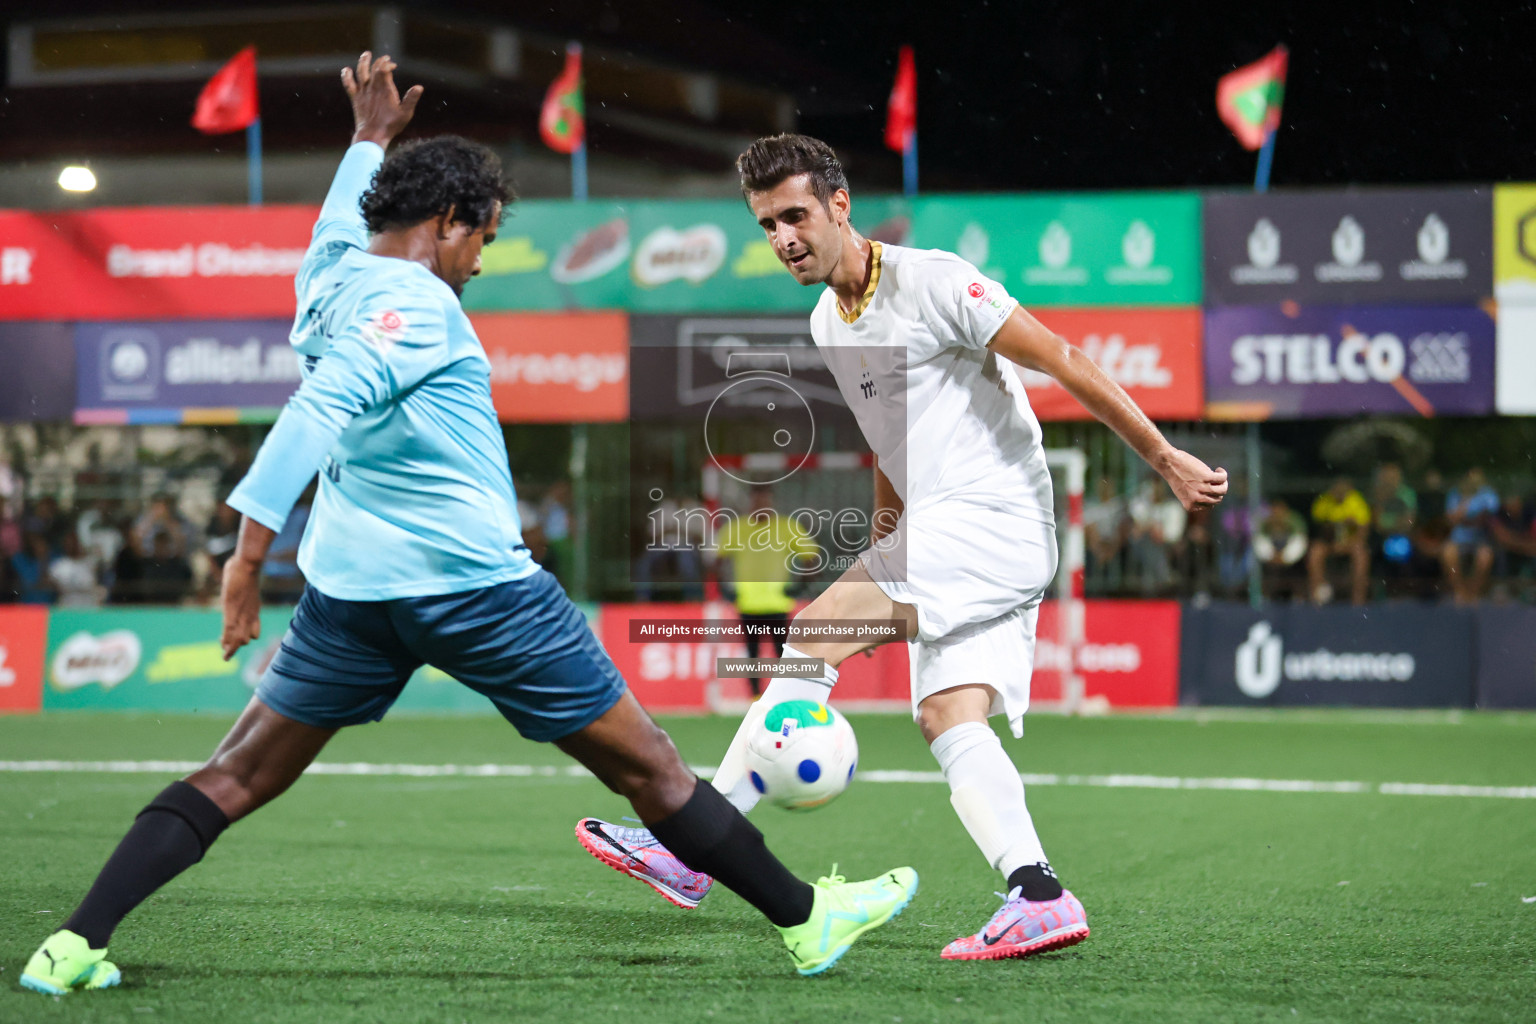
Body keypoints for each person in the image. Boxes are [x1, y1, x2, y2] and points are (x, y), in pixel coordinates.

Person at [19, 56, 914, 998]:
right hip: (481, 592)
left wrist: (368, 139)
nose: (481, 259)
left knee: (236, 774)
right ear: (446, 225)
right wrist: (246, 557)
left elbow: (340, 218)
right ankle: (812, 922)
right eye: (480, 237)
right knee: (651, 770)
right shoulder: (417, 306)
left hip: (351, 597)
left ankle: (74, 942)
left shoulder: (326, 277)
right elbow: (318, 410)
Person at [575, 133, 1227, 962]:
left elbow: (1061, 357)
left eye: (796, 216)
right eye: (767, 224)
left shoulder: (935, 280)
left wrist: (1164, 458)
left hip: (993, 521)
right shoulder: (827, 319)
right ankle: (1038, 893)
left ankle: (693, 846)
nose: (783, 239)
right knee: (947, 716)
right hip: (949, 531)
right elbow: (891, 445)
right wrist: (887, 540)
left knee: (810, 633)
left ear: (840, 206)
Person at [716, 485, 818, 696]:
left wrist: (800, 587)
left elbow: (812, 558)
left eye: (764, 501)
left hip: (777, 603)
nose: (760, 506)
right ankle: (755, 696)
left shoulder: (786, 526)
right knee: (752, 654)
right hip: (748, 603)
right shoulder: (737, 528)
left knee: (783, 653)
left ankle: (786, 693)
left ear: (771, 503)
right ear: (750, 503)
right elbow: (717, 561)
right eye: (757, 501)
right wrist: (725, 590)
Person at [1306, 477, 1370, 605]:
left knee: (1361, 555)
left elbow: (1363, 531)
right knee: (1315, 552)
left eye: (1343, 490)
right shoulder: (1324, 501)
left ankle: (1358, 601)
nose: (1339, 493)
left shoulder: (1357, 501)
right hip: (1329, 542)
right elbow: (1319, 527)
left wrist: (1346, 542)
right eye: (1336, 490)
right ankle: (1317, 598)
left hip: (1350, 542)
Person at [1441, 467, 1499, 603]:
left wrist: (1466, 518)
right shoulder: (1455, 493)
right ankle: (1460, 592)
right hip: (1458, 540)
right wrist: (1465, 503)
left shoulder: (1488, 494)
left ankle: (1473, 593)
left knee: (1485, 556)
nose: (1474, 482)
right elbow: (1451, 519)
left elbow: (1489, 516)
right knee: (1447, 553)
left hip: (1480, 540)